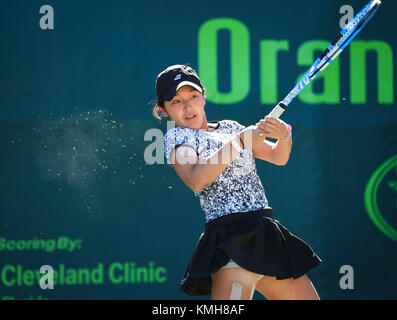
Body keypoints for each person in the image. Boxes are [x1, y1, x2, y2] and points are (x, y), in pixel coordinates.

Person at [152, 64, 321, 300]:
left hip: (266, 233)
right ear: (163, 110)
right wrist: (239, 142)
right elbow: (195, 179)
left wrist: (284, 136)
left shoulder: (231, 127)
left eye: (193, 96)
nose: (188, 106)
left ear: (203, 96)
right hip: (230, 240)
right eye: (176, 101)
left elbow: (277, 156)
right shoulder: (177, 137)